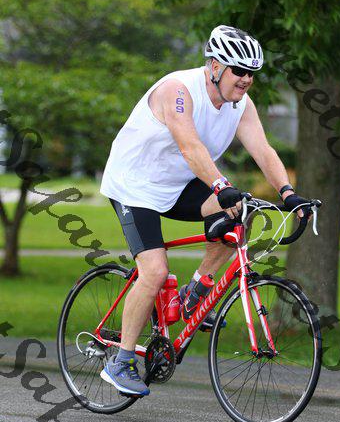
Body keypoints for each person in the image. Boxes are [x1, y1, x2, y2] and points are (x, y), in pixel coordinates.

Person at [99, 24, 306, 396]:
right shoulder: (178, 90)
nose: (246, 80)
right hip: (135, 185)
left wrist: (288, 193)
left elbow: (263, 150)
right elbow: (190, 146)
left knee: (238, 214)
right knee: (155, 270)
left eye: (252, 73)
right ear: (215, 66)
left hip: (177, 184)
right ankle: (121, 361)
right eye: (238, 70)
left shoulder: (241, 105)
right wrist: (221, 185)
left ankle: (196, 291)